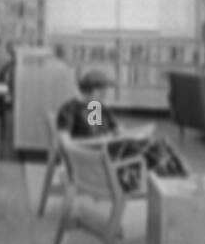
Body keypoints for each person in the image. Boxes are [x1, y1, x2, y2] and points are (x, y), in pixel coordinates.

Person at [56, 69, 188, 192]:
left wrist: (130, 133)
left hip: (108, 151)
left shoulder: (94, 107)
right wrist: (98, 140)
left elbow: (99, 129)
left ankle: (177, 181)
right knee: (154, 151)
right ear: (94, 91)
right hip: (93, 158)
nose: (105, 96)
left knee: (157, 145)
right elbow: (66, 144)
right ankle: (177, 184)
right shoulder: (69, 110)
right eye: (104, 92)